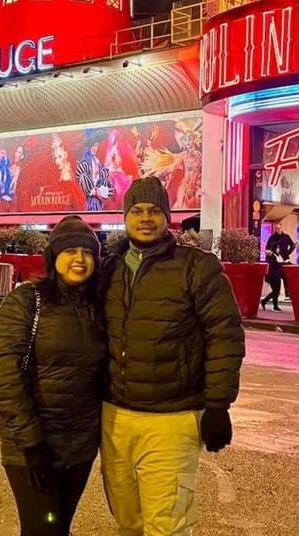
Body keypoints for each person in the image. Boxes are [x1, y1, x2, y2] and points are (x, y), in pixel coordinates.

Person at [100, 176, 245, 535]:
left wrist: (218, 405)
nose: (145, 218)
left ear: (168, 217)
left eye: (153, 211)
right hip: (115, 416)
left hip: (171, 418)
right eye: (136, 211)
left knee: (168, 525)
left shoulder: (198, 266)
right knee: (127, 520)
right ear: (125, 216)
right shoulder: (109, 268)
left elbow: (225, 336)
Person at [0, 215, 106, 536]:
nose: (79, 259)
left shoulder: (99, 307)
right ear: (54, 259)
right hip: (34, 446)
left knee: (58, 529)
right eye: (69, 252)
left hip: (79, 445)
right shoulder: (27, 301)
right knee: (42, 530)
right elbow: (2, 373)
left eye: (87, 252)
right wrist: (32, 442)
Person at [260, 223, 295, 311]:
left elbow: (293, 245)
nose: (277, 230)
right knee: (276, 289)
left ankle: (268, 301)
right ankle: (272, 304)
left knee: (283, 282)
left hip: (282, 263)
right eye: (276, 228)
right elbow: (267, 250)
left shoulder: (286, 237)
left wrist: (287, 253)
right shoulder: (272, 239)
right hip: (274, 271)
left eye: (279, 228)